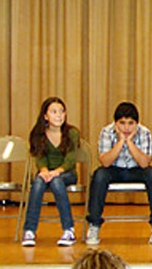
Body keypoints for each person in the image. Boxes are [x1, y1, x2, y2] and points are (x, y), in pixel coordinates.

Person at [86, 102, 152, 245]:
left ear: (137, 123)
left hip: (138, 170)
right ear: (115, 123)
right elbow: (105, 162)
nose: (126, 127)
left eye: (131, 123)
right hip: (114, 169)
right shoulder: (106, 132)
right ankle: (94, 225)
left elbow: (144, 163)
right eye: (122, 123)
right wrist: (120, 141)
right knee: (99, 175)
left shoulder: (144, 132)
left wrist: (129, 142)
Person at [22, 97, 80, 247]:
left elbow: (70, 160)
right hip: (46, 172)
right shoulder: (38, 134)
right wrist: (45, 171)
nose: (59, 115)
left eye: (61, 111)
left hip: (66, 173)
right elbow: (39, 158)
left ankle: (69, 230)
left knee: (56, 181)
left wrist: (57, 172)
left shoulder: (72, 133)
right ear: (45, 116)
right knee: (38, 183)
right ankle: (29, 230)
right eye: (54, 112)